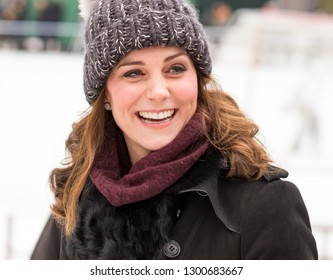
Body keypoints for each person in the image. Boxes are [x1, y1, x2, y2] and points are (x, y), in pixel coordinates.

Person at [31, 0, 317, 260]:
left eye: (175, 69)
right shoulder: (75, 203)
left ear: (198, 78)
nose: (158, 91)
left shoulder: (266, 206)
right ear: (104, 93)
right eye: (134, 73)